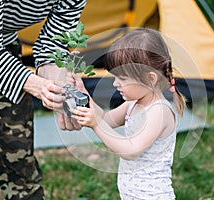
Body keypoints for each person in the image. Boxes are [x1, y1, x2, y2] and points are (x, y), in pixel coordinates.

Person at [0, 0, 86, 199]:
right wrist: (38, 86)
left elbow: (52, 44)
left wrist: (59, 84)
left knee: (16, 149)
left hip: (0, 46)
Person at [69, 28, 186, 199]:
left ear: (150, 78)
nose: (115, 84)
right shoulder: (133, 103)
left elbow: (131, 150)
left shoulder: (158, 111)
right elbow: (106, 120)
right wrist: (84, 94)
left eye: (122, 79)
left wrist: (96, 125)